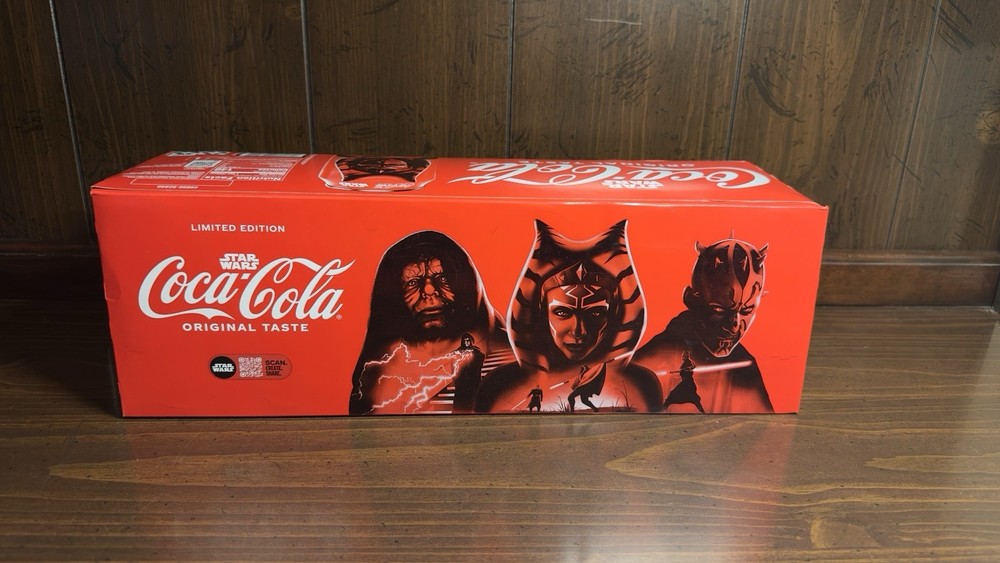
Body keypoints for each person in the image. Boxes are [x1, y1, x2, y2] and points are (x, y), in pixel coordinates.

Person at [475, 220, 662, 413]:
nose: (579, 330)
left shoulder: (640, 385)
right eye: (562, 312)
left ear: (614, 314)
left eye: (595, 313)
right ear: (541, 313)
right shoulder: (498, 388)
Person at [349, 231, 508, 414]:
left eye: (442, 279)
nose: (429, 290)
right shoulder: (379, 373)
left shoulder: (510, 358)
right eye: (412, 282)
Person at [633, 237, 773, 413]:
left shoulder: (744, 365)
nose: (734, 325)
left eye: (746, 310)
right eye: (719, 310)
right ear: (691, 299)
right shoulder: (653, 359)